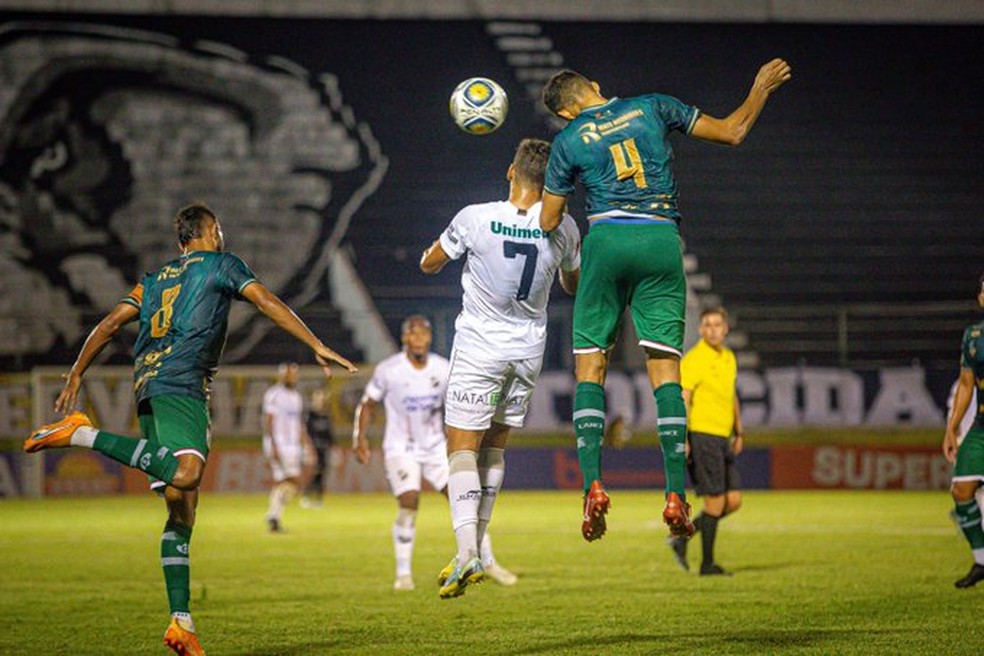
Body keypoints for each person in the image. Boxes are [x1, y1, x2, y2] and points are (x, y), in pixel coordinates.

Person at [23, 203, 357, 655]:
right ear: (211, 231)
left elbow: (107, 325)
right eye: (220, 228)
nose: (222, 235)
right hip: (182, 383)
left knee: (181, 511)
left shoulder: (154, 279)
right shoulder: (223, 264)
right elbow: (265, 301)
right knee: (187, 475)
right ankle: (80, 433)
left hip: (147, 386)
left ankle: (181, 622)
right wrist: (315, 342)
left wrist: (78, 372)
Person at [538, 60, 791, 541]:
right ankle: (675, 493)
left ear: (566, 113)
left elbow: (550, 220)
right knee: (666, 374)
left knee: (590, 370)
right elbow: (734, 132)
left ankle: (592, 486)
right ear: (594, 87)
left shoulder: (569, 140)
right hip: (659, 240)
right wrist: (759, 88)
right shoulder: (653, 106)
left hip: (607, 240)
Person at [420, 137, 580, 598]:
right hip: (527, 351)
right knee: (494, 448)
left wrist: (437, 249)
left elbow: (430, 264)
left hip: (480, 349)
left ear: (511, 173)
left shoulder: (476, 217)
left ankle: (468, 551)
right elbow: (571, 281)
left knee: (462, 448)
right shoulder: (565, 227)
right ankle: (471, 552)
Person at [353, 315, 517, 591]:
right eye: (414, 334)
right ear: (405, 338)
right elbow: (367, 404)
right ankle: (403, 574)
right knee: (409, 501)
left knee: (467, 500)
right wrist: (359, 438)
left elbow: (459, 401)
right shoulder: (389, 370)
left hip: (434, 448)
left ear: (429, 338)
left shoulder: (443, 368)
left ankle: (488, 563)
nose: (419, 339)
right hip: (400, 449)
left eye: (424, 335)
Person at [667, 307, 743, 576]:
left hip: (724, 437)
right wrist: (684, 436)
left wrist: (739, 431)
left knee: (733, 501)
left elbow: (731, 395)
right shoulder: (695, 359)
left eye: (717, 325)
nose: (712, 329)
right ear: (700, 329)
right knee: (715, 503)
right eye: (707, 325)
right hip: (703, 436)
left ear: (725, 329)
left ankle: (682, 537)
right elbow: (684, 397)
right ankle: (707, 565)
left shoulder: (729, 357)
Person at [942, 272, 984, 589]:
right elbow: (966, 385)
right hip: (981, 428)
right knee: (961, 491)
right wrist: (951, 428)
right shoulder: (973, 336)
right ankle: (982, 560)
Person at [263, 362, 314, 532]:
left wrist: (306, 443)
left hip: (292, 445)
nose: (291, 377)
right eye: (288, 374)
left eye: (293, 374)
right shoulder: (274, 394)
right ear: (281, 376)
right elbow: (268, 421)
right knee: (292, 480)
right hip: (279, 443)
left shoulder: (296, 397)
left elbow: (298, 424)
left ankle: (274, 516)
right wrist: (273, 444)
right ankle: (273, 515)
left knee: (286, 482)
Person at [302, 387, 335, 508]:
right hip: (312, 449)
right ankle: (305, 496)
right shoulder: (310, 415)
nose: (321, 401)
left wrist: (332, 446)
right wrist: (308, 447)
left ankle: (318, 498)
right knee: (311, 474)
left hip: (323, 449)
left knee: (322, 473)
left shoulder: (326, 416)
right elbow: (306, 432)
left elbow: (330, 434)